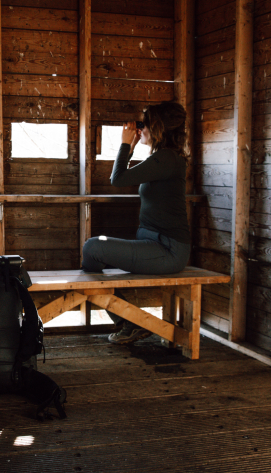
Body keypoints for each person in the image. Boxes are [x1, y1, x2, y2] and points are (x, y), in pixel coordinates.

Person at [81, 101, 191, 344]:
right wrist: (129, 146)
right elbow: (123, 177)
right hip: (155, 244)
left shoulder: (166, 159)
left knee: (92, 247)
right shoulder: (163, 159)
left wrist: (124, 143)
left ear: (157, 128)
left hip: (168, 250)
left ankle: (129, 322)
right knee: (93, 250)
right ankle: (128, 321)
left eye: (144, 124)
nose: (140, 129)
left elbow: (118, 179)